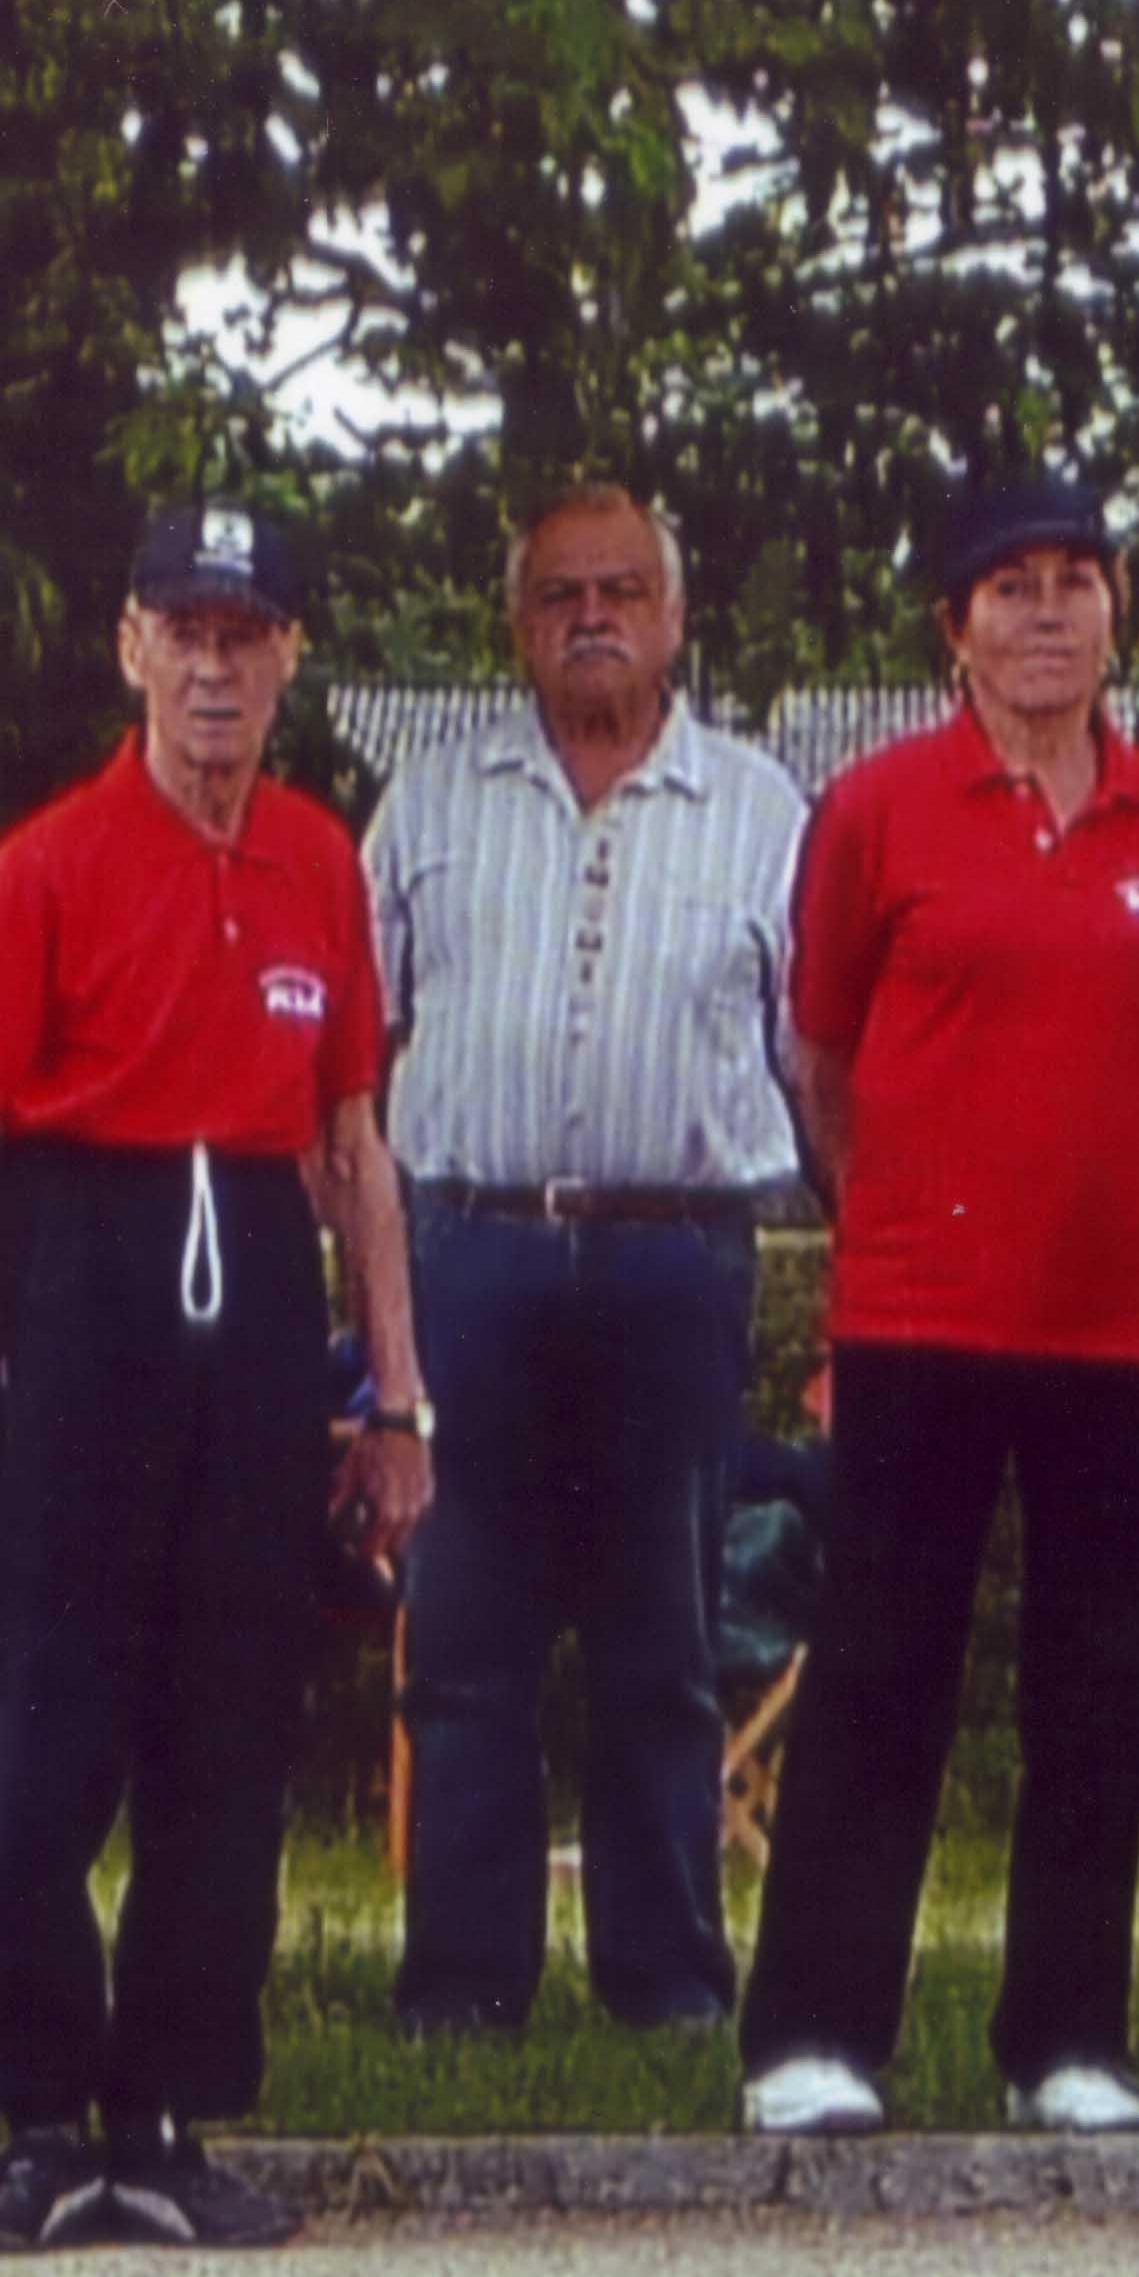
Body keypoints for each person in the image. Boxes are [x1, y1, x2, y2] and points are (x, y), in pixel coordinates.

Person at [0, 498, 431, 2255]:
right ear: (130, 649)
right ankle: (41, 2114)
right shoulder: (49, 862)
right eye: (182, 632)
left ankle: (172, 2108)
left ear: (285, 662)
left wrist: (396, 1398)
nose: (214, 666)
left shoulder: (319, 863)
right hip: (89, 1273)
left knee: (227, 1721)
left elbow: (352, 1146)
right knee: (46, 1712)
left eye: (245, 636)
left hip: (250, 1287)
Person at [734, 470, 1139, 2138]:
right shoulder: (877, 810)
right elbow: (822, 1048)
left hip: (1130, 1314)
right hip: (925, 1307)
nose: (1045, 615)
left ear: (1117, 610)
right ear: (954, 629)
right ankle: (815, 2031)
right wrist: (913, 1207)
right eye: (1008, 588)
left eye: (1075, 581)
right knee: (882, 1668)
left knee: (1092, 1679)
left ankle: (1069, 2037)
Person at [369, 483, 807, 2038]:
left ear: (677, 616)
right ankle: (462, 1995)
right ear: (518, 626)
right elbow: (364, 1055)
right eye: (561, 595)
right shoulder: (426, 804)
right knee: (468, 1644)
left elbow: (815, 1065)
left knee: (664, 1647)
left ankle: (670, 1987)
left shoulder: (764, 813)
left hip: (673, 1263)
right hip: (469, 1253)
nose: (594, 618)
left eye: (623, 589)